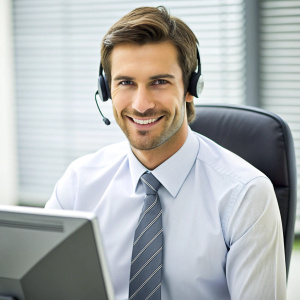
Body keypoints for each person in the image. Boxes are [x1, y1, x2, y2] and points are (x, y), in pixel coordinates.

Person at [45, 6, 286, 299]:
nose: (141, 104)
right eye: (126, 83)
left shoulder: (245, 195)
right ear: (106, 90)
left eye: (159, 82)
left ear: (190, 87)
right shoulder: (79, 183)